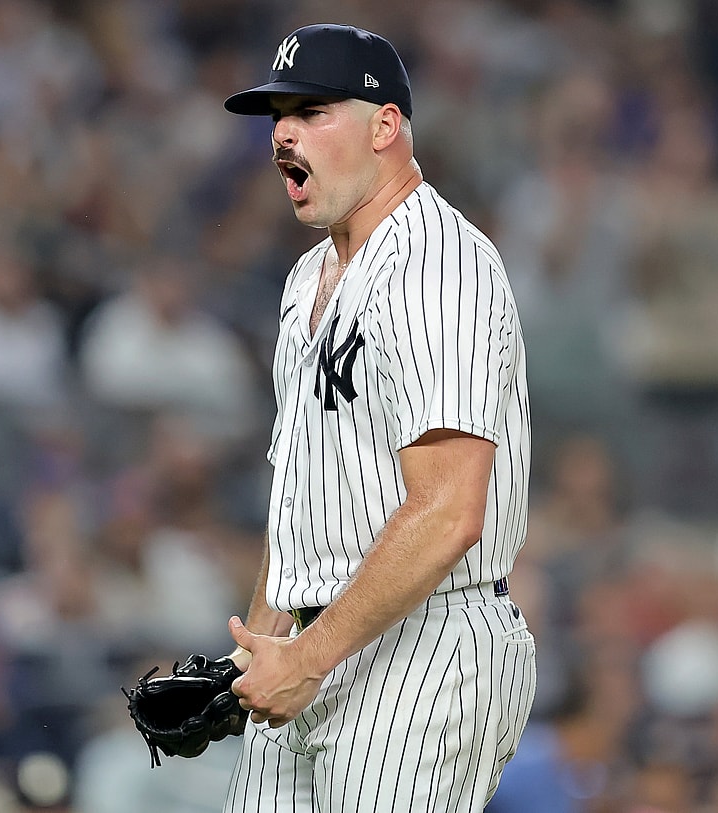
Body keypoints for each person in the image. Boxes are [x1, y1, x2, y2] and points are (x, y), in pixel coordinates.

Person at [218, 24, 536, 812]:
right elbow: (303, 500)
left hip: (427, 639)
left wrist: (309, 656)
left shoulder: (437, 263)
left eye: (313, 109)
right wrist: (255, 659)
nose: (283, 132)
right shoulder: (307, 279)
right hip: (315, 639)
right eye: (276, 115)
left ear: (385, 125)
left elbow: (449, 511)